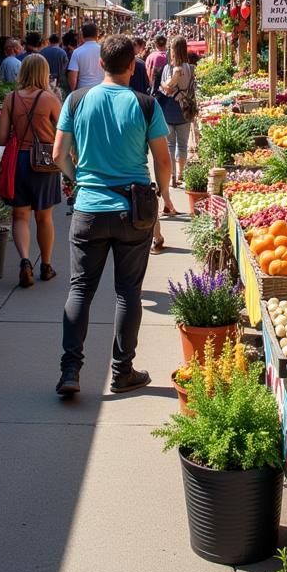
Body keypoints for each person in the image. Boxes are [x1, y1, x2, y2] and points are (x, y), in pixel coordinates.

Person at [53, 35, 175, 397]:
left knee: (80, 290)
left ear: (102, 64)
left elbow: (59, 153)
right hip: (132, 210)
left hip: (89, 207)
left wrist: (78, 181)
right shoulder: (146, 104)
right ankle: (122, 370)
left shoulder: (75, 100)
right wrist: (165, 194)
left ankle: (70, 370)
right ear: (133, 66)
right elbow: (163, 160)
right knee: (127, 293)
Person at [0, 54, 62, 288]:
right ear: (44, 73)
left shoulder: (10, 99)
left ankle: (25, 261)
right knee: (44, 217)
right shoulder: (50, 99)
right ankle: (46, 265)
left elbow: (2, 139)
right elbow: (64, 133)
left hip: (20, 162)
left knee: (20, 216)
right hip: (45, 162)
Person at [158, 35, 195, 189]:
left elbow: (166, 88)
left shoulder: (170, 68)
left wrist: (162, 84)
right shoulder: (190, 68)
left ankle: (172, 176)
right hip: (185, 110)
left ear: (174, 49)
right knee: (182, 145)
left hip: (169, 110)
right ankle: (181, 174)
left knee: (170, 145)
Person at [67, 22, 104, 92]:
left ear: (83, 35)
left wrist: (73, 91)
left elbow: (72, 76)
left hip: (82, 91)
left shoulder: (77, 52)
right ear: (97, 35)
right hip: (100, 90)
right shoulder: (104, 50)